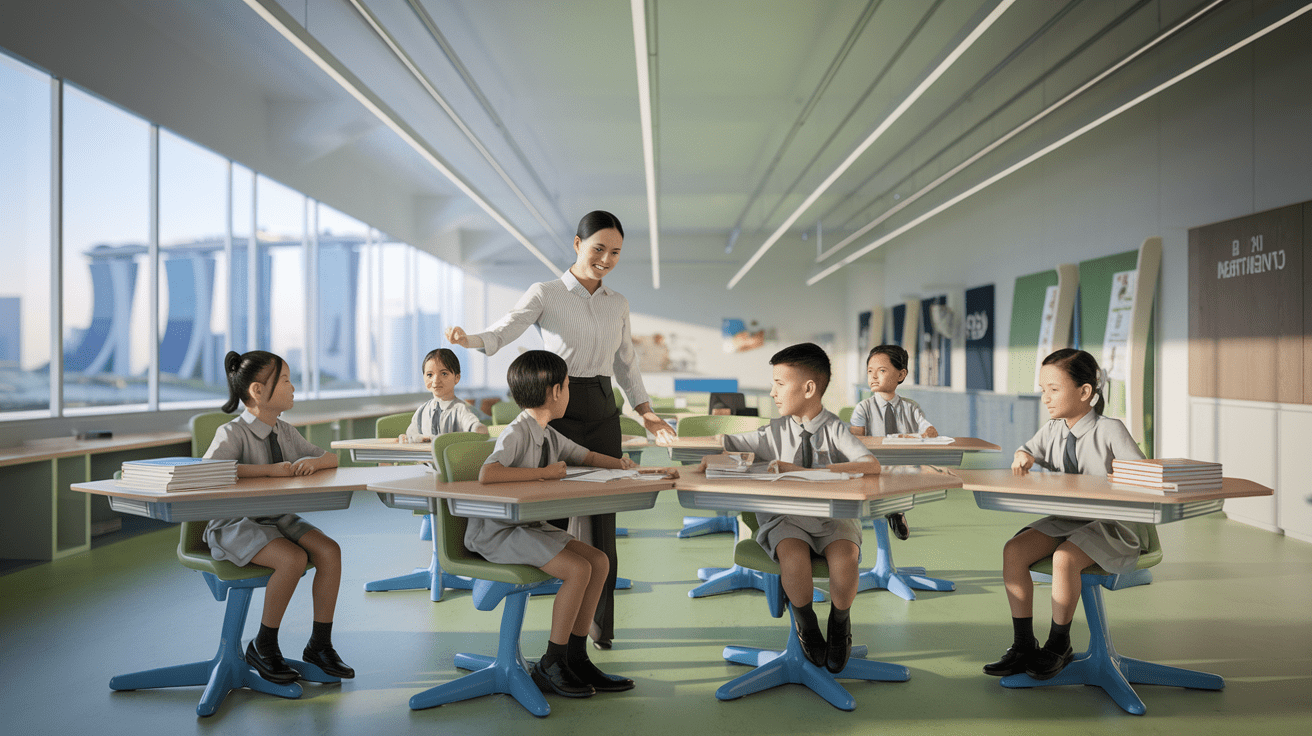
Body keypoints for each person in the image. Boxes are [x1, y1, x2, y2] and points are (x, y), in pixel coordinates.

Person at [445, 210, 673, 649]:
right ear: (577, 244)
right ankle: (544, 626)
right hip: (559, 404)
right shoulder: (546, 292)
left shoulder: (618, 303)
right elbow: (507, 328)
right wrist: (468, 340)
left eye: (615, 252)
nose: (606, 259)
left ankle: (598, 629)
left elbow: (626, 363)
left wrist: (645, 411)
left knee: (602, 520)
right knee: (547, 514)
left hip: (603, 406)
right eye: (598, 249)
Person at [470, 351, 676, 697]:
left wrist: (625, 466)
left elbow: (585, 455)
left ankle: (576, 657)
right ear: (555, 391)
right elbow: (488, 473)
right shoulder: (516, 432)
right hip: (500, 532)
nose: (569, 392)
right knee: (578, 570)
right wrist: (544, 474)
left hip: (527, 527)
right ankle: (552, 662)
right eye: (567, 386)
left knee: (599, 561)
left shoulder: (547, 433)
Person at [696, 343, 882, 673]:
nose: (773, 392)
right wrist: (712, 455)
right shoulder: (773, 431)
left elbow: (871, 465)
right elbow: (729, 446)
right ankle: (805, 621)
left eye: (780, 384)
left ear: (808, 389)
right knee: (794, 561)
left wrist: (811, 471)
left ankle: (840, 621)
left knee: (845, 562)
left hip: (833, 516)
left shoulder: (834, 429)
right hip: (786, 519)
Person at [984, 348, 1150, 681]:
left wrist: (1115, 481)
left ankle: (1059, 644)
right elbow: (1028, 449)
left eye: (1053, 389)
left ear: (1084, 391)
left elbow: (1142, 475)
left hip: (1111, 525)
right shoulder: (1053, 429)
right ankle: (1023, 645)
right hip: (1070, 520)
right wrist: (1022, 456)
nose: (1045, 398)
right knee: (1014, 551)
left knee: (1064, 559)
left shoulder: (1111, 430)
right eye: (1042, 389)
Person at [203, 350, 353, 684]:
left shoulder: (284, 431)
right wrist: (268, 471)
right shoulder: (231, 433)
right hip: (235, 523)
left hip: (277, 518)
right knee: (292, 559)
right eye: (285, 380)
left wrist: (315, 462)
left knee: (330, 551)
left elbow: (330, 458)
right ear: (258, 391)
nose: (292, 387)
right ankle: (264, 645)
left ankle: (320, 645)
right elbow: (211, 471)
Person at [848, 344, 938, 541]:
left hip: (902, 466)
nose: (873, 376)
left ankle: (895, 510)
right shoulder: (863, 408)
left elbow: (924, 426)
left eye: (881, 371)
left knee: (915, 476)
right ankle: (893, 511)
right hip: (873, 465)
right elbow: (855, 440)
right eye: (869, 371)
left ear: (901, 374)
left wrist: (929, 431)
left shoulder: (910, 407)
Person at [397, 348, 488, 442]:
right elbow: (411, 433)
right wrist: (408, 437)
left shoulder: (460, 409)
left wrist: (478, 428)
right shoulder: (422, 410)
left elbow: (473, 425)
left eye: (444, 374)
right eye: (429, 375)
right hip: (425, 451)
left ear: (456, 378)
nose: (436, 380)